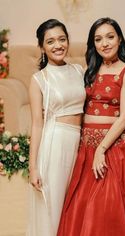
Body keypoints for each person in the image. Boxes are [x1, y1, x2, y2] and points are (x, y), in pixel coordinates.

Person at [57, 17, 125, 236]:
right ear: (93, 44)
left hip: (112, 149)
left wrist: (101, 149)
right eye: (98, 39)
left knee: (106, 213)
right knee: (80, 210)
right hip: (87, 149)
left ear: (119, 40)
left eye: (110, 37)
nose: (104, 43)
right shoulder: (89, 71)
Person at [27, 19, 86, 236]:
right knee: (53, 207)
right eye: (50, 41)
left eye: (62, 39)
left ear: (68, 41)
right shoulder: (39, 79)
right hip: (55, 145)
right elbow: (36, 124)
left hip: (80, 144)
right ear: (42, 47)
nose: (57, 45)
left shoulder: (79, 70)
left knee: (75, 205)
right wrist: (33, 167)